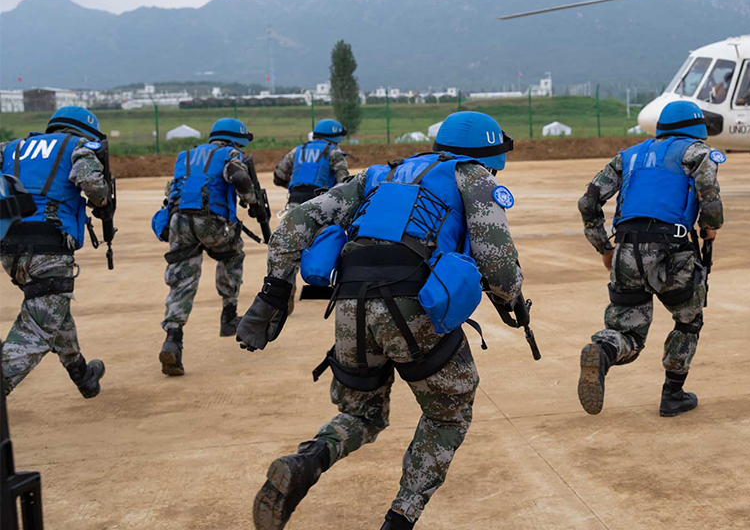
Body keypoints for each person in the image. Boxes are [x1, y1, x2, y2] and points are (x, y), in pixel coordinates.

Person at [236, 111, 527, 530]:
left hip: (349, 304)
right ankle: (400, 517)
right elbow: (498, 266)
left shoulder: (378, 175)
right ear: (489, 153)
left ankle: (307, 461)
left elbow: (296, 222)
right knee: (448, 412)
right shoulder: (474, 177)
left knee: (362, 413)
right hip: (414, 306)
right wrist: (513, 298)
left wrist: (274, 292)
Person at [576, 99, 723, 417]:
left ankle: (601, 353)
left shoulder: (629, 155)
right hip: (673, 251)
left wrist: (604, 247)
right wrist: (710, 228)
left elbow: (588, 201)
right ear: (696, 130)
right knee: (687, 320)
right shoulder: (696, 153)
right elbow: (710, 203)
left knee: (628, 331)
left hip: (626, 250)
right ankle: (673, 395)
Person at [1, 107, 111, 398]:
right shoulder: (79, 146)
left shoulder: (12, 147)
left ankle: (82, 375)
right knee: (36, 329)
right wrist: (102, 204)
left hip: (10, 248)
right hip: (49, 247)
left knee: (52, 310)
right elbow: (92, 184)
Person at [158, 117, 266, 376]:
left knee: (182, 280)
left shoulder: (185, 156)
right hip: (212, 221)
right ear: (237, 139)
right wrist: (251, 201)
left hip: (179, 221)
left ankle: (173, 338)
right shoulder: (229, 153)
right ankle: (229, 316)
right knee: (232, 254)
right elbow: (238, 175)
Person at [273, 118, 352, 293]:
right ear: (335, 136)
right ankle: (322, 284)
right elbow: (343, 182)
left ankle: (287, 292)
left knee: (292, 247)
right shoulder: (334, 151)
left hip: (295, 203)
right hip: (321, 204)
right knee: (326, 243)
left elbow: (278, 176)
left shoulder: (298, 151)